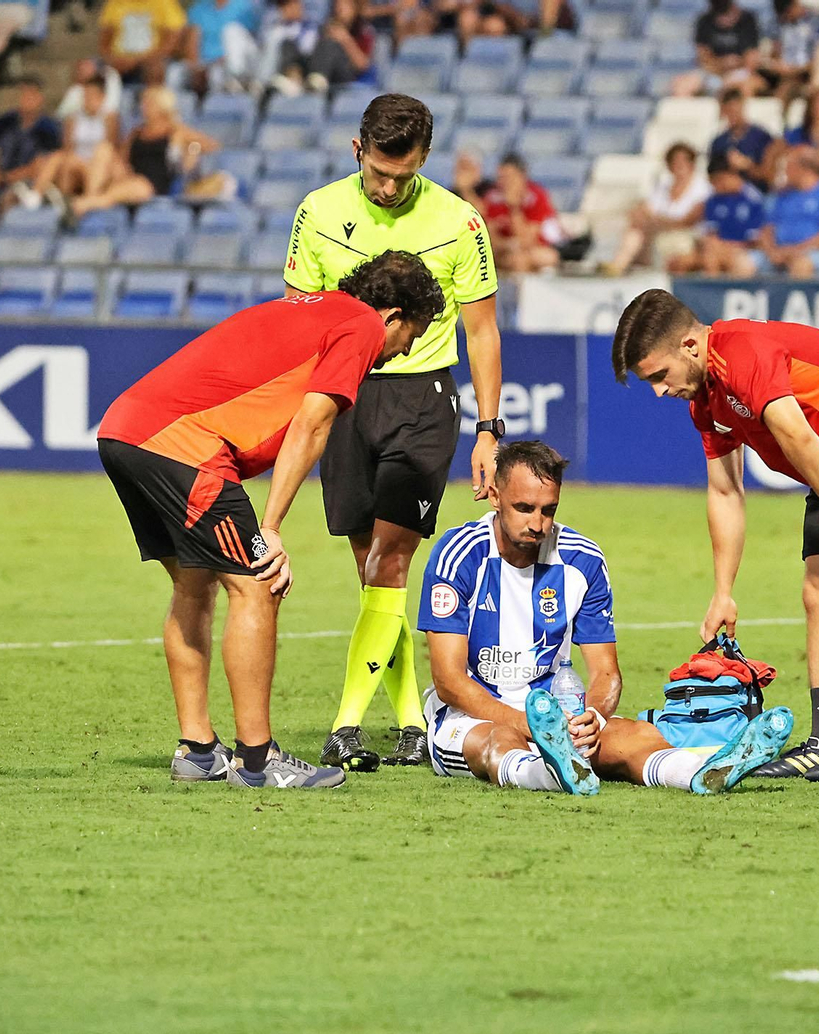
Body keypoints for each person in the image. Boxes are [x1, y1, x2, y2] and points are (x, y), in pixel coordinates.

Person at [96, 251, 447, 789]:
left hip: (125, 431)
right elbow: (312, 424)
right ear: (393, 315)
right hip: (184, 444)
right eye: (414, 333)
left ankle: (197, 750)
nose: (408, 348)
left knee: (195, 586)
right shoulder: (360, 327)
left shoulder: (316, 308)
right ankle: (258, 761)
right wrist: (272, 529)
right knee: (259, 586)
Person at [610, 291, 819, 782]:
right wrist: (723, 591)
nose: (660, 392)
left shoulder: (742, 351)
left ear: (689, 345)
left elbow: (796, 434)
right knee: (818, 593)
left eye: (660, 376)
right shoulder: (706, 401)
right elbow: (725, 491)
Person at [284, 94, 503, 772]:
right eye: (379, 173)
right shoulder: (318, 213)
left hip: (424, 397)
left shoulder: (459, 222)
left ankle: (346, 725)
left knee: (391, 563)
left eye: (401, 178)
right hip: (345, 398)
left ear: (424, 161)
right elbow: (298, 322)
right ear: (358, 150)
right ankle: (413, 719)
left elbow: (482, 330)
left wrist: (489, 429)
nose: (387, 188)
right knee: (371, 574)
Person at [417, 440, 795, 796]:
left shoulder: (583, 559)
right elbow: (449, 681)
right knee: (499, 744)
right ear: (495, 496)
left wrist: (593, 716)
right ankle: (551, 773)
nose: (538, 523)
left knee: (638, 736)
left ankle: (703, 773)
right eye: (525, 508)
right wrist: (527, 724)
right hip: (468, 720)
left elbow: (606, 673)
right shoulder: (459, 554)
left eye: (549, 510)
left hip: (560, 717)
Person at [70, 87, 219, 218]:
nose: (143, 107)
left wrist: (191, 149)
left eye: (149, 103)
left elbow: (211, 144)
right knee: (104, 149)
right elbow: (122, 158)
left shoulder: (175, 130)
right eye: (144, 103)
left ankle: (87, 203)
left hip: (152, 184)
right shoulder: (137, 132)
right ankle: (90, 197)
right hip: (131, 175)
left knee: (137, 186)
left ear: (161, 106)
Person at [603, 142, 710, 276]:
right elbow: (642, 210)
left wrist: (655, 221)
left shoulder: (702, 188)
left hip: (687, 236)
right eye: (675, 161)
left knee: (648, 235)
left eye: (683, 160)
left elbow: (686, 221)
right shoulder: (663, 187)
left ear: (692, 163)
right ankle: (617, 268)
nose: (679, 165)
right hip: (659, 233)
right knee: (635, 231)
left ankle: (620, 268)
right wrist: (652, 220)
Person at [32, 73, 119, 209]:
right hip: (76, 162)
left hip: (99, 165)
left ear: (101, 97)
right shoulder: (73, 118)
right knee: (57, 158)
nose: (87, 99)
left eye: (91, 95)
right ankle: (36, 196)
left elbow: (111, 146)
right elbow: (67, 148)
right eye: (85, 95)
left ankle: (87, 199)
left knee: (103, 150)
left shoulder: (110, 117)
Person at [0, 76, 61, 210]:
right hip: (2, 180)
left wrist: (4, 177)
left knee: (10, 199)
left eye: (30, 95)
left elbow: (41, 165)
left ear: (40, 98)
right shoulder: (6, 121)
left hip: (29, 184)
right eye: (22, 94)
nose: (25, 99)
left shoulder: (49, 127)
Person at [670, 159, 769, 277]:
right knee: (679, 262)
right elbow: (711, 233)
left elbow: (757, 237)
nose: (717, 186)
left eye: (719, 180)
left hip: (743, 250)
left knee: (725, 261)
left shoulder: (753, 199)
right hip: (717, 249)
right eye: (713, 183)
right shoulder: (713, 200)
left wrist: (730, 246)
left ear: (731, 174)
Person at [761, 147, 819, 278]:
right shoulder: (782, 195)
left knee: (801, 264)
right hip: (778, 253)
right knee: (742, 262)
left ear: (802, 169)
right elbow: (767, 230)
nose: (785, 172)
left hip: (816, 254)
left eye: (788, 167)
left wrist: (797, 250)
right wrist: (772, 251)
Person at [478, 154, 565, 274]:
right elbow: (487, 237)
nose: (504, 183)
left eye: (509, 177)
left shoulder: (537, 197)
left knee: (538, 258)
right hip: (502, 252)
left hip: (534, 250)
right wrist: (507, 245)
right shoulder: (492, 198)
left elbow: (527, 240)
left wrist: (514, 209)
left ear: (522, 176)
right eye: (501, 178)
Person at [271, 0, 374, 95]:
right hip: (316, 70)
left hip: (347, 76)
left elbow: (362, 65)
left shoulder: (363, 31)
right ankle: (292, 79)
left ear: (355, 10)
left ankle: (317, 79)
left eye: (345, 6)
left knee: (329, 44)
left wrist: (344, 39)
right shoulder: (326, 27)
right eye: (337, 5)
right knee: (288, 44)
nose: (339, 9)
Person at [671, 0, 760, 97]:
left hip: (739, 74)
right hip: (712, 74)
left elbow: (751, 61)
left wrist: (733, 66)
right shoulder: (704, 21)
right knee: (681, 85)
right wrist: (722, 64)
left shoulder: (747, 20)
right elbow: (703, 59)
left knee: (746, 86)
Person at [98, 0, 186, 84]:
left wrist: (137, 60)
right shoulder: (115, 2)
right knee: (87, 68)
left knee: (154, 70)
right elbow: (104, 42)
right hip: (119, 59)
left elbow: (171, 42)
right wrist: (112, 59)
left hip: (151, 59)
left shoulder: (164, 3)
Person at [184, 0, 262, 93]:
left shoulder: (244, 6)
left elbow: (251, 40)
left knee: (231, 30)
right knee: (177, 74)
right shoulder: (199, 8)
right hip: (208, 66)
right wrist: (196, 68)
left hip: (239, 65)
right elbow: (192, 42)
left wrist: (225, 60)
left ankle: (238, 80)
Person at [758, 0, 819, 101]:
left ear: (795, 5)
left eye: (787, 13)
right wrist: (774, 64)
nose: (786, 17)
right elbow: (775, 51)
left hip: (809, 72)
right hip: (785, 74)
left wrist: (795, 69)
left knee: (787, 86)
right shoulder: (780, 25)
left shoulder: (817, 21)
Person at [708, 87, 773, 192]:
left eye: (736, 110)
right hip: (728, 198)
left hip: (757, 195)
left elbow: (770, 174)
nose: (732, 115)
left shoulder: (761, 137)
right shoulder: (719, 142)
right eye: (729, 111)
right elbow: (712, 176)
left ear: (743, 107)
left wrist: (747, 166)